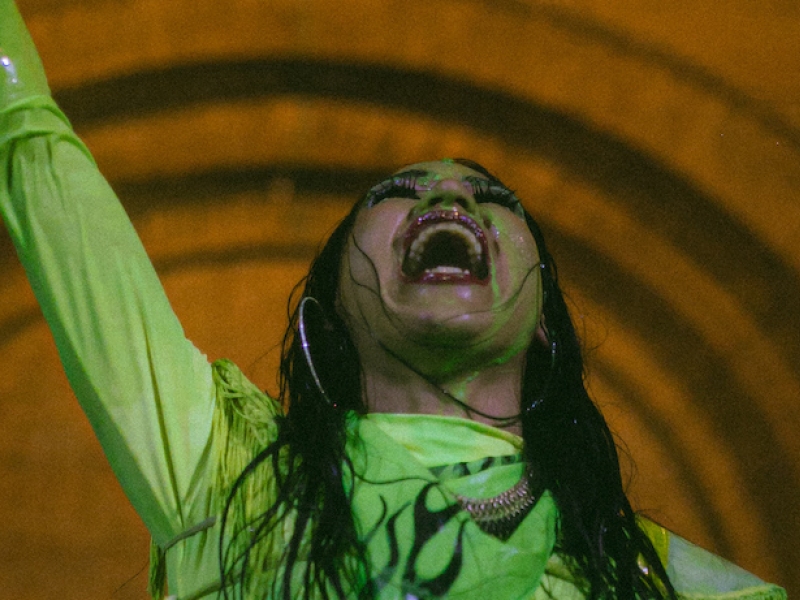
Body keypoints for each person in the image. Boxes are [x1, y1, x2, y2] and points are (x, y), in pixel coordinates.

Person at [0, 2, 787, 599]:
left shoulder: (651, 576)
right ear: (331, 305)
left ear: (545, 318)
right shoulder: (218, 467)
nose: (449, 199)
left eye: (491, 195)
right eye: (398, 191)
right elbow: (33, 150)